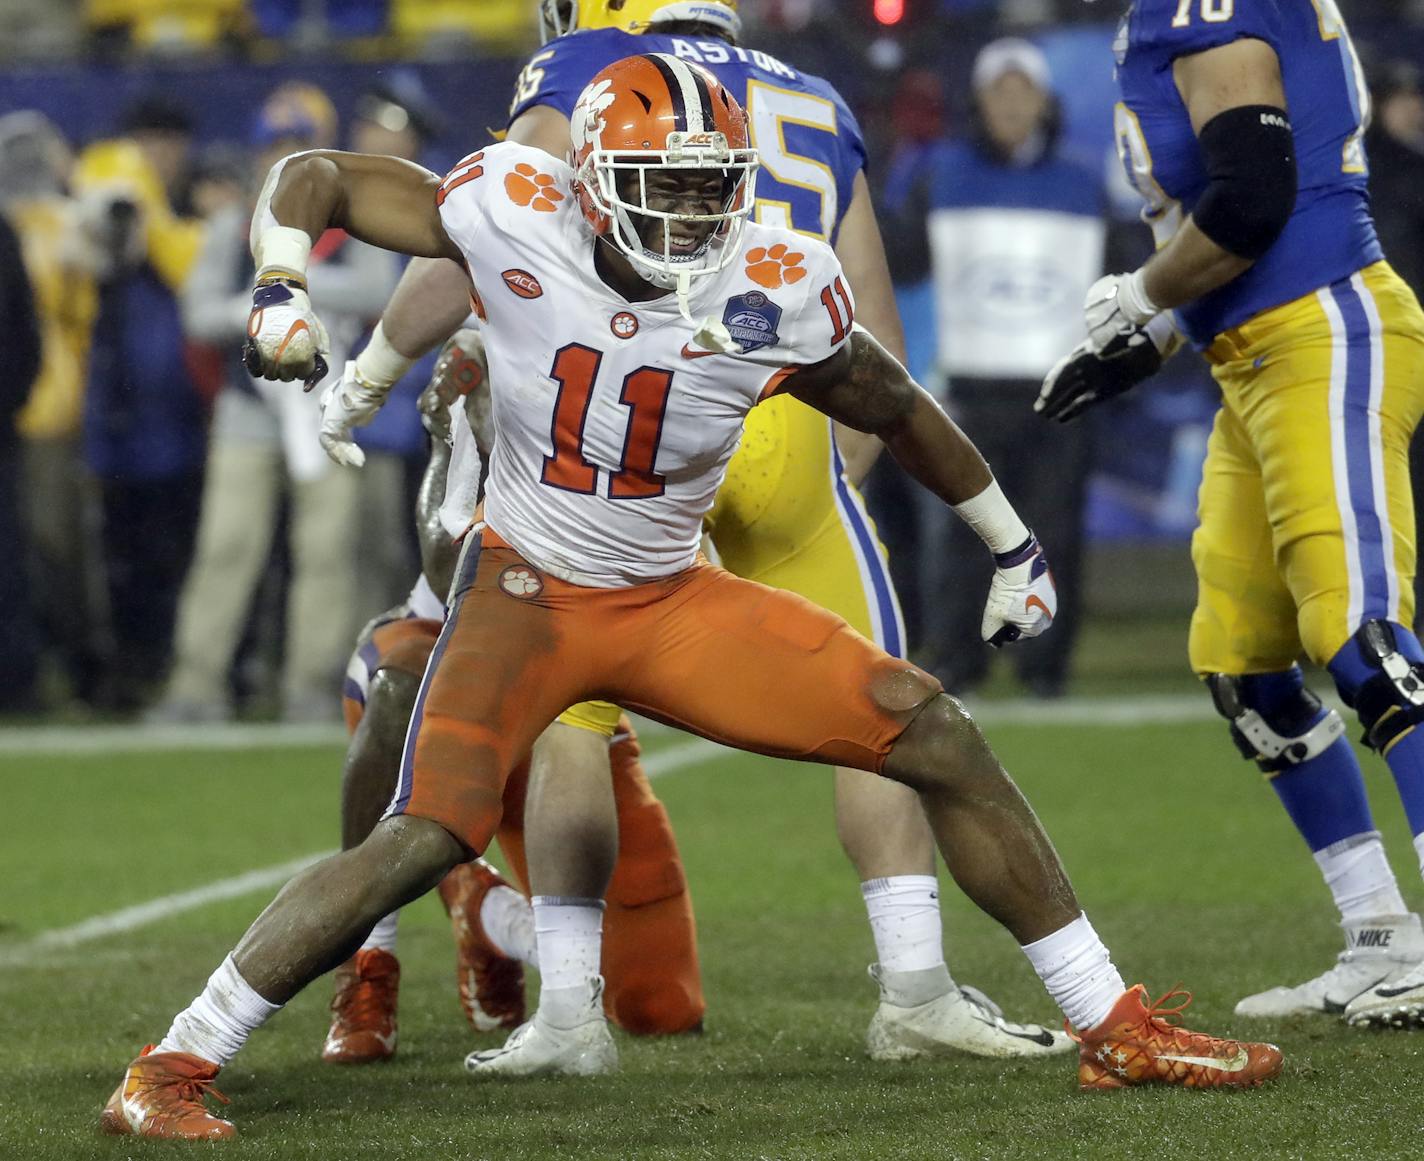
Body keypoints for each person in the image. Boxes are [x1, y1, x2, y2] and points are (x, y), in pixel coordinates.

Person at [101, 55, 1283, 1141]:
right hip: (526, 591)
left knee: (932, 732)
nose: (691, 213)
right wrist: (276, 288)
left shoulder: (776, 277)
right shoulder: (514, 203)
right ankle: (170, 1063)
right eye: (662, 184)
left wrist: (1010, 543)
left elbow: (891, 405)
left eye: (712, 186)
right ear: (590, 179)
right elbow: (314, 177)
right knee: (428, 834)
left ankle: (1110, 1025)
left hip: (669, 595)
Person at [323, 0, 1071, 1068]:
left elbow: (471, 238)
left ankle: (571, 1011)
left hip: (632, 408)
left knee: (574, 718)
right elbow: (871, 331)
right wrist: (830, 484)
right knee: (881, 709)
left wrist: (370, 376)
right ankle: (913, 985)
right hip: (786, 400)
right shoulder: (812, 96)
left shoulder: (597, 66)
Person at [1037, 0, 1424, 1025]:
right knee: (1245, 672)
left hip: (1320, 327)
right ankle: (1381, 935)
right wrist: (1151, 335)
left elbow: (1255, 197)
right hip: (1251, 355)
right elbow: (1225, 215)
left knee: (1364, 642)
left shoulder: (1204, 7)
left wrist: (1138, 296)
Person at [323, 332, 704, 1062]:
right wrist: (451, 434)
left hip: (570, 711)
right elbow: (445, 573)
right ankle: (368, 960)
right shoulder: (490, 370)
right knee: (399, 677)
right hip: (443, 674)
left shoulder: (635, 396)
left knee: (659, 1004)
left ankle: (484, 906)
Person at [148, 83, 398, 723]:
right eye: (277, 145)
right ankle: (196, 685)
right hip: (249, 411)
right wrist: (246, 310)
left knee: (328, 552)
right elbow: (199, 311)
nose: (285, 157)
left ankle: (311, 685)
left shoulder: (350, 221)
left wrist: (281, 288)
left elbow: (378, 289)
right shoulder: (236, 224)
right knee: (227, 547)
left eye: (299, 144)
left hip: (327, 409)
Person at [914, 38, 1105, 700]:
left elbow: (1123, 278)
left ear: (1044, 102)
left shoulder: (1084, 183)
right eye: (1000, 90)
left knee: (1052, 534)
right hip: (971, 388)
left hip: (1059, 392)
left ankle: (1042, 667)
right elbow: (899, 255)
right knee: (969, 534)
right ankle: (959, 659)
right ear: (979, 101)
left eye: (1023, 90)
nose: (1012, 104)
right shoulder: (941, 174)